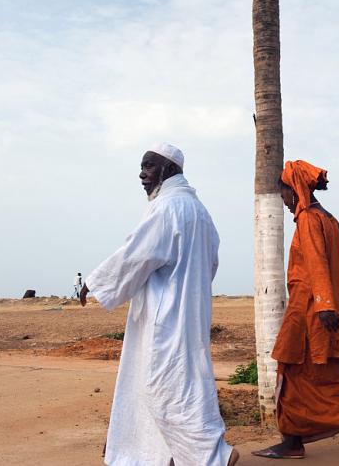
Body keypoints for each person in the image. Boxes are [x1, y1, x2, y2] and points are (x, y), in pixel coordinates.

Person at [79, 143, 238, 466]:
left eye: (149, 166)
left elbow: (136, 254)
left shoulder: (167, 208)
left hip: (165, 319)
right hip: (188, 313)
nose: (142, 174)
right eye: (142, 166)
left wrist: (94, 282)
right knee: (183, 383)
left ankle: (212, 455)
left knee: (165, 389)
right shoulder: (200, 211)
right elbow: (211, 264)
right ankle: (167, 455)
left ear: (169, 170)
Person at [253, 160, 339, 459]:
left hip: (308, 312)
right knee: (299, 377)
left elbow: (316, 265)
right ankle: (293, 441)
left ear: (295, 189)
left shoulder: (309, 220)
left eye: (285, 195)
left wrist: (324, 306)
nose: (285, 202)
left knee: (313, 379)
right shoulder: (330, 219)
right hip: (315, 309)